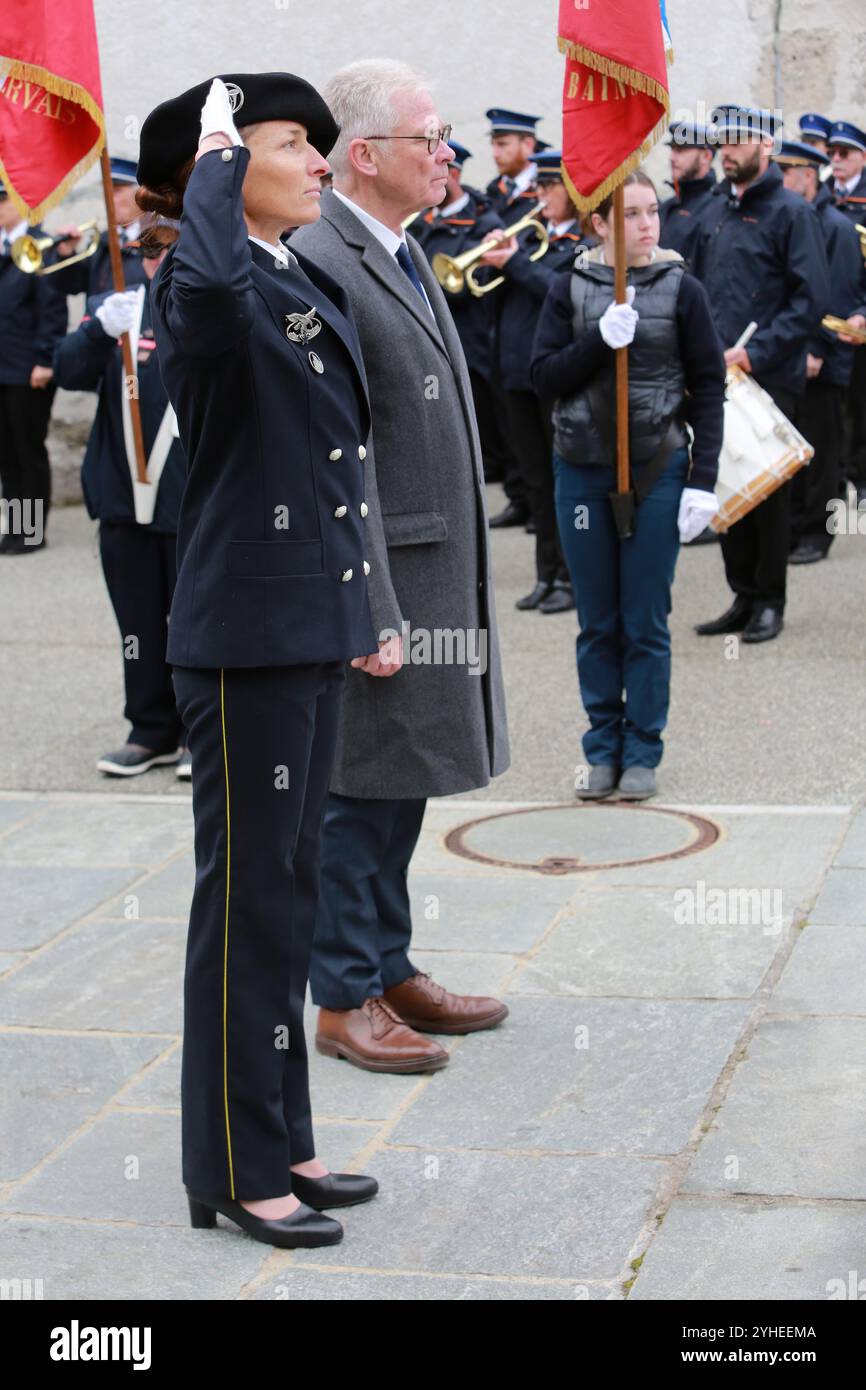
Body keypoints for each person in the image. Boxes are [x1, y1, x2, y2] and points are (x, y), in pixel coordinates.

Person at [137, 71, 386, 1248]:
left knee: (281, 904)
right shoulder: (208, 280)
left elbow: (337, 464)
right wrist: (217, 159)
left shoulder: (291, 274)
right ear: (225, 168)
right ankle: (230, 1165)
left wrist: (365, 610)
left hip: (306, 627)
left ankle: (279, 1135)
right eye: (296, 144)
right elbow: (206, 294)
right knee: (243, 908)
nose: (323, 162)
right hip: (243, 641)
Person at [291, 60, 510, 1074]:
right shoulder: (322, 257)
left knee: (401, 777)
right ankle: (341, 994)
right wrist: (366, 601)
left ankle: (385, 961)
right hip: (382, 577)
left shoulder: (397, 246)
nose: (445, 151)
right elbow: (324, 455)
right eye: (428, 135)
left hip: (428, 565)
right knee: (356, 785)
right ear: (363, 155)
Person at [531, 170, 726, 802]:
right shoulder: (569, 288)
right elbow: (542, 377)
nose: (648, 225)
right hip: (582, 471)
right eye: (633, 214)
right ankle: (602, 747)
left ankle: (643, 747)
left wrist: (703, 480)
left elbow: (708, 387)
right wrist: (597, 340)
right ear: (600, 225)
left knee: (644, 618)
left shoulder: (682, 290)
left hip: (656, 470)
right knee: (598, 619)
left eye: (653, 212)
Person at [52, 215, 190, 776]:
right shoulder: (119, 305)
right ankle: (150, 729)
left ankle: (199, 733)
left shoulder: (210, 304)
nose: (154, 261)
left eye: (167, 248)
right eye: (146, 250)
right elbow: (68, 372)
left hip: (188, 496)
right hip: (122, 493)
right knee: (137, 624)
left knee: (193, 625)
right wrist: (96, 332)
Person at [692, 105, 829, 644]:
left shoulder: (792, 213)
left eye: (739, 140)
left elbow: (810, 299)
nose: (728, 149)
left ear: (766, 147)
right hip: (715, 376)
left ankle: (770, 600)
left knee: (767, 494)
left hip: (765, 375)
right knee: (726, 485)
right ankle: (742, 595)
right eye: (723, 140)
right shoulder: (713, 211)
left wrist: (755, 353)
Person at [481, 148, 583, 613]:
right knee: (537, 482)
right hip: (516, 373)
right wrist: (491, 260)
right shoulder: (533, 241)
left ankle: (572, 574)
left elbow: (561, 293)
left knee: (565, 481)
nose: (539, 196)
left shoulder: (580, 245)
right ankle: (547, 574)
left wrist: (515, 262)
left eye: (549, 187)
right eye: (538, 187)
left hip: (555, 376)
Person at [776, 140, 866, 563]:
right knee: (797, 447)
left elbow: (839, 298)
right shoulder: (798, 219)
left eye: (785, 172)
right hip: (793, 357)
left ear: (806, 177)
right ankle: (795, 527)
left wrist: (817, 349)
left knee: (825, 450)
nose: (779, 180)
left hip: (823, 358)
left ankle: (819, 531)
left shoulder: (836, 226)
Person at [412, 141, 510, 486]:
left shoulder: (484, 221)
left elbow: (484, 280)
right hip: (433, 329)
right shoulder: (421, 221)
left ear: (454, 175)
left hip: (472, 332)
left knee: (483, 410)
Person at [484, 107, 548, 526]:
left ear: (528, 145)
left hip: (534, 320)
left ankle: (535, 502)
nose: (495, 151)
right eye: (494, 142)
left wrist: (513, 262)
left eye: (503, 143)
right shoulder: (496, 191)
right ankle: (520, 495)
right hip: (502, 316)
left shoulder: (540, 196)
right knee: (510, 422)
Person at [0, 184, 68, 555]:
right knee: (7, 455)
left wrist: (44, 360)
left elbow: (52, 310)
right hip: (2, 368)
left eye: (3, 199)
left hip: (28, 370)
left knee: (28, 451)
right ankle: (14, 527)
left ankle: (30, 532)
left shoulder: (39, 246)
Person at [828, 120, 866, 505]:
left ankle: (863, 475)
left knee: (861, 400)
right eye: (833, 154)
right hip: (830, 321)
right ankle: (838, 475)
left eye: (845, 154)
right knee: (833, 407)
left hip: (861, 318)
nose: (836, 161)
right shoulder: (822, 198)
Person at [51, 157, 149, 297]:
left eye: (117, 191)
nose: (108, 199)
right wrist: (66, 254)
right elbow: (73, 285)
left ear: (140, 194)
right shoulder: (101, 241)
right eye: (107, 191)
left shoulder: (157, 239)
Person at [658, 120, 718, 267]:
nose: (671, 157)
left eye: (680, 150)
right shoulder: (667, 206)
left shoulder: (717, 208)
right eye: (672, 149)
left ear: (706, 156)